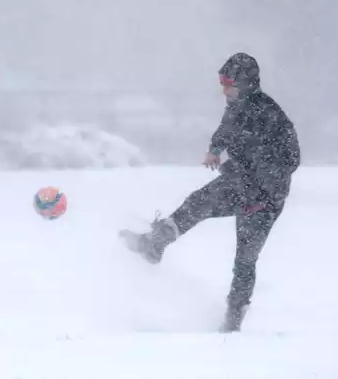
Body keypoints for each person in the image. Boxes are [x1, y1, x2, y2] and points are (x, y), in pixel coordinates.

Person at [122, 52, 300, 333]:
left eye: (228, 83)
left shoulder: (270, 115)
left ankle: (233, 319)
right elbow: (226, 128)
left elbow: (290, 159)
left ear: (247, 84)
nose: (223, 90)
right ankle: (155, 244)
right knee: (198, 202)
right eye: (221, 83)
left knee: (245, 259)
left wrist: (261, 189)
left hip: (265, 198)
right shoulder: (236, 105)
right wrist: (215, 149)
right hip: (241, 182)